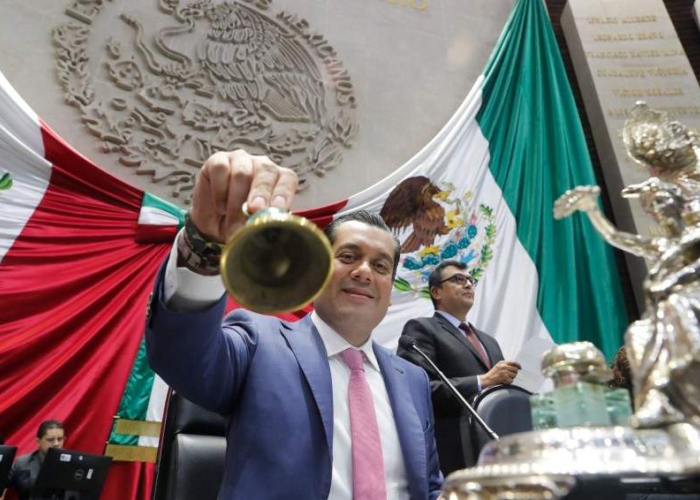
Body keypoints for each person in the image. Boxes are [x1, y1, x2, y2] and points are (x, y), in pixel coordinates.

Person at [146, 150, 443, 499]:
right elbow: (180, 357)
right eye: (348, 257)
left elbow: (429, 485)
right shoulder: (259, 342)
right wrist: (205, 246)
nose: (364, 272)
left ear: (390, 292)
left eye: (380, 267)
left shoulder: (414, 380)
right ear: (315, 270)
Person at [397, 260, 520, 475]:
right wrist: (484, 381)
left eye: (470, 280)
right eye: (458, 279)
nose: (468, 285)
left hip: (500, 451)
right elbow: (418, 391)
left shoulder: (489, 341)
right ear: (436, 292)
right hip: (455, 456)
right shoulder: (421, 329)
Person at [9, 420, 65, 500]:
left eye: (60, 439)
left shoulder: (72, 464)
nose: (56, 443)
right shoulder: (22, 463)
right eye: (50, 440)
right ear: (38, 442)